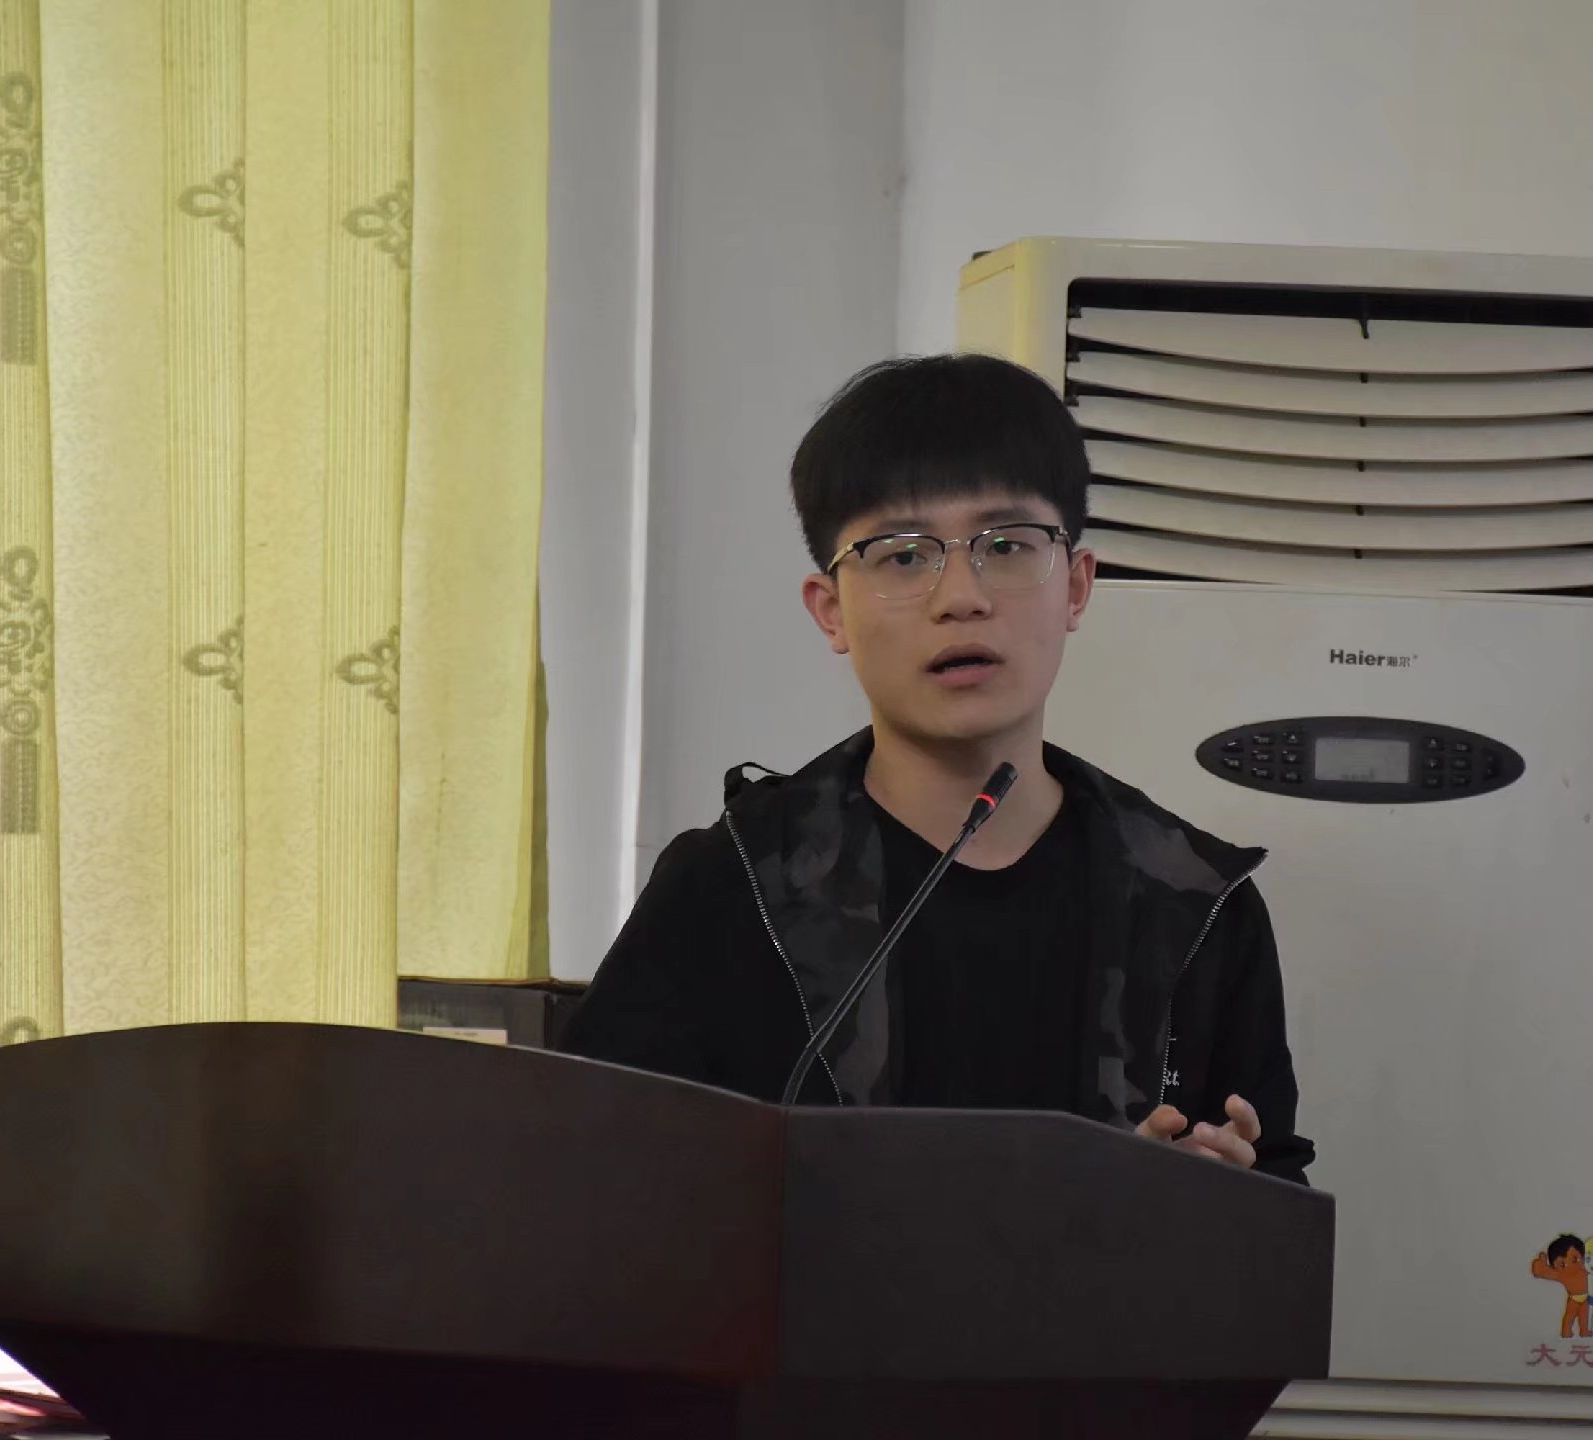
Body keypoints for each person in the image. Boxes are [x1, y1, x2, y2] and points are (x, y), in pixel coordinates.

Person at [556, 352, 1314, 1182]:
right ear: (831, 611)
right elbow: (590, 1182)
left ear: (1076, 588)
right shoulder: (732, 886)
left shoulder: (1197, 904)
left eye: (1007, 545)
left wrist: (1218, 1203)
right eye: (903, 555)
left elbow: (1278, 1212)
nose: (961, 597)